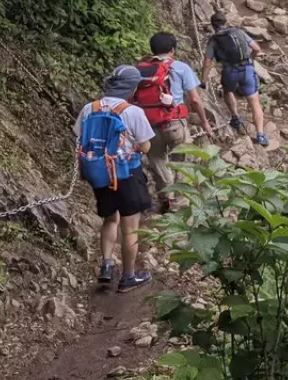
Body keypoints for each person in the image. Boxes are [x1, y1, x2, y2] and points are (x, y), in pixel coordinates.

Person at [75, 65, 155, 293]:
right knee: (130, 229)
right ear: (131, 87)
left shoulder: (90, 108)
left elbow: (80, 137)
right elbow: (146, 145)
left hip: (99, 172)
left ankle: (107, 264)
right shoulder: (132, 111)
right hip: (126, 173)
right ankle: (128, 277)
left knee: (110, 220)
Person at [134, 32, 213, 214]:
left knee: (158, 161)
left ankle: (166, 200)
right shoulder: (180, 67)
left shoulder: (141, 70)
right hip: (175, 123)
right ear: (172, 50)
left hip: (149, 125)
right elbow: (194, 100)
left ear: (152, 49)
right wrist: (204, 122)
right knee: (183, 161)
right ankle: (179, 203)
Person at [202, 12, 269, 146]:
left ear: (212, 25)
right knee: (255, 103)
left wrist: (203, 80)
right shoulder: (239, 32)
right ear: (225, 22)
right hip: (247, 69)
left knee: (228, 92)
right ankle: (260, 135)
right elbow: (256, 48)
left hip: (229, 71)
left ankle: (235, 117)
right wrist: (251, 59)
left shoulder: (214, 40)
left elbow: (208, 62)